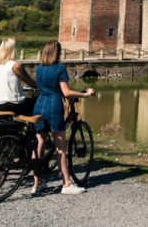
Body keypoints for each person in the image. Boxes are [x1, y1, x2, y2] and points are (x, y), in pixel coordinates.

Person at [32, 40, 93, 195]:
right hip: (53, 107)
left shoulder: (39, 68)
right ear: (57, 53)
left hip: (39, 105)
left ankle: (36, 183)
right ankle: (66, 184)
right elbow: (66, 92)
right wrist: (85, 94)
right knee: (60, 148)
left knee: (39, 144)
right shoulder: (59, 68)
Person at [0, 38, 38, 116]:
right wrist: (40, 86)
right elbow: (30, 82)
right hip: (12, 104)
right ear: (13, 50)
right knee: (38, 104)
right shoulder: (15, 65)